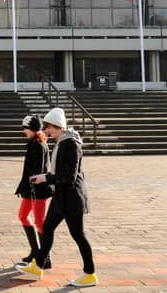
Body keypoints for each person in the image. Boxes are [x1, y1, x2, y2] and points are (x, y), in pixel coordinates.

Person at [15, 107, 98, 288]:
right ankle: (38, 265)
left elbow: (69, 176)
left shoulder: (72, 144)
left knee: (78, 235)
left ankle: (90, 274)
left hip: (72, 198)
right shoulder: (62, 142)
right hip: (61, 196)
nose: (47, 131)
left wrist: (45, 177)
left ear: (59, 126)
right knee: (47, 228)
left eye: (50, 127)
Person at [15, 114, 52, 268]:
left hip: (38, 189)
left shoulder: (38, 144)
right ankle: (35, 250)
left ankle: (45, 257)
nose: (24, 131)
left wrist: (29, 182)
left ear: (31, 129)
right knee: (23, 216)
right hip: (30, 189)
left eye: (25, 129)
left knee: (40, 222)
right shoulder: (33, 143)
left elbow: (37, 170)